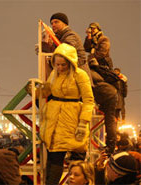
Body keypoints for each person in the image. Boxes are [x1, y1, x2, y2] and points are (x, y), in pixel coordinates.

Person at [34, 43, 94, 184]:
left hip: (71, 119)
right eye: (57, 64)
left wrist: (83, 122)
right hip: (54, 118)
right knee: (52, 156)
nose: (60, 68)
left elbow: (88, 99)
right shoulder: (54, 74)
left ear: (71, 63)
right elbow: (48, 90)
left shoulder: (80, 75)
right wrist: (35, 91)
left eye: (63, 65)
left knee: (62, 159)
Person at [46, 12, 93, 83]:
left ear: (65, 23)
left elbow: (65, 52)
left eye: (56, 22)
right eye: (52, 23)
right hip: (72, 78)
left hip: (79, 80)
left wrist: (50, 46)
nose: (53, 25)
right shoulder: (59, 37)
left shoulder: (70, 35)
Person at [89, 58, 118, 154]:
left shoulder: (87, 74)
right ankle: (109, 146)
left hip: (107, 95)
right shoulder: (94, 71)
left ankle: (110, 147)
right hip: (109, 94)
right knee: (108, 120)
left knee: (109, 121)